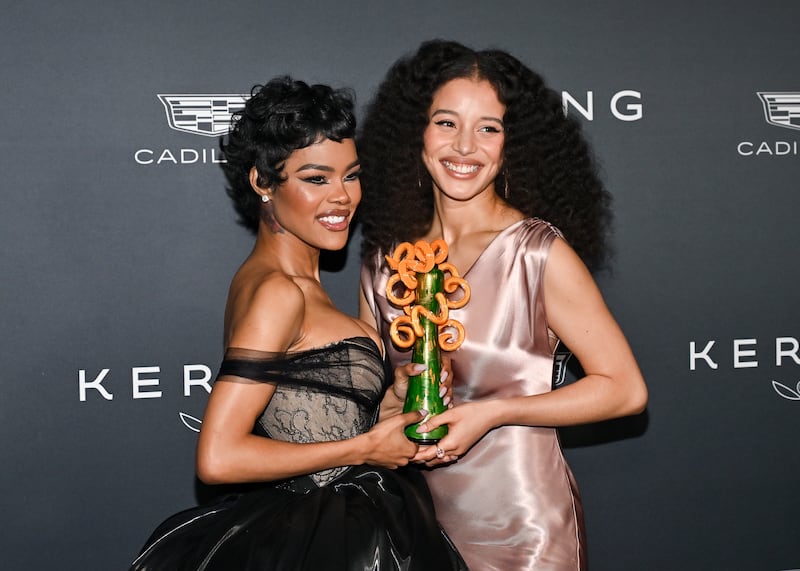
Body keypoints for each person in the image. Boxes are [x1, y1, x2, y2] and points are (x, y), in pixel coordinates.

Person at [129, 76, 467, 571]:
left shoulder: (290, 283)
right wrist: (368, 446)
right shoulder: (277, 292)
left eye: (350, 175)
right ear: (263, 183)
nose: (342, 197)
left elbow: (304, 420)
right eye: (315, 179)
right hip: (318, 541)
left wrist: (391, 403)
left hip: (341, 527)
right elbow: (218, 457)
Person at [358, 40, 649, 571]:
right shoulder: (385, 261)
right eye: (446, 122)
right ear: (414, 133)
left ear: (512, 144)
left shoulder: (538, 253)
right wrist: (396, 396)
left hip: (523, 530)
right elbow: (370, 407)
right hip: (411, 530)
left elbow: (625, 390)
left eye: (488, 128)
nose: (465, 146)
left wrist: (493, 413)